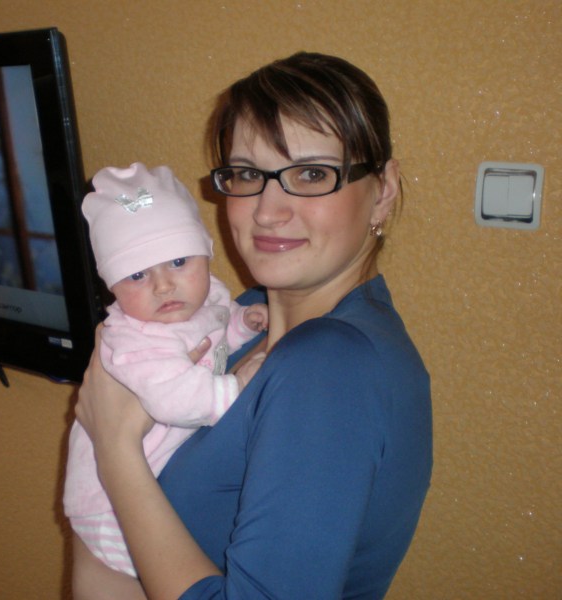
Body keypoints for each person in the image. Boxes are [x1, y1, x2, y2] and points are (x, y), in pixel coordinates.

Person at [72, 52, 433, 599]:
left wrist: (114, 450)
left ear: (381, 191)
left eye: (311, 174)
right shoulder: (236, 318)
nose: (267, 211)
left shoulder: (330, 366)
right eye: (246, 174)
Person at [64, 162, 268, 577]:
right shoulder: (136, 339)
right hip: (107, 505)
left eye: (177, 261)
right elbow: (175, 399)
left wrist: (241, 326)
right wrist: (237, 385)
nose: (163, 285)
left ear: (205, 254)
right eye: (137, 274)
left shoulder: (205, 298)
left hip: (142, 476)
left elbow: (211, 338)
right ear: (112, 286)